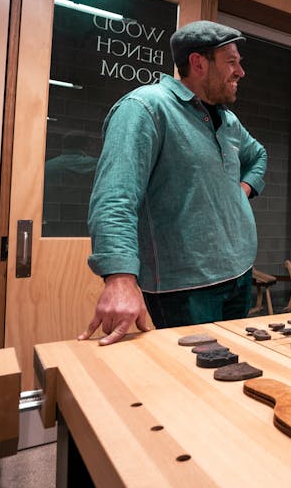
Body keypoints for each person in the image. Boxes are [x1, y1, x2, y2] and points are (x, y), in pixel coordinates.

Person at [78, 20, 267, 345]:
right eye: (231, 62)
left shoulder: (229, 121)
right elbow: (115, 197)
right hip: (185, 289)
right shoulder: (144, 109)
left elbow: (258, 155)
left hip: (239, 273)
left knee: (233, 374)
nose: (241, 72)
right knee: (193, 383)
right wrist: (120, 277)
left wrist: (242, 191)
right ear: (198, 63)